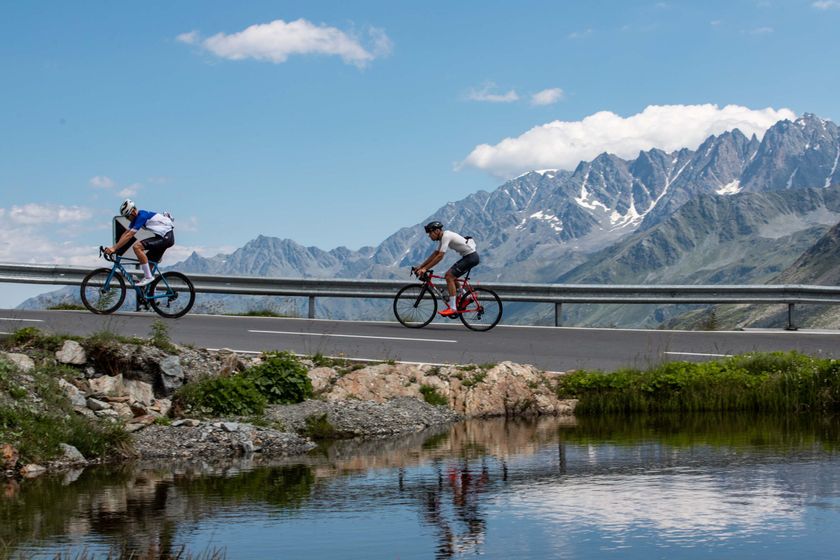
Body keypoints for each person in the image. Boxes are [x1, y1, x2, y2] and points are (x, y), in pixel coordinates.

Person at [415, 221, 480, 317]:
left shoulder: (446, 236)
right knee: (451, 276)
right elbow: (435, 254)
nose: (429, 236)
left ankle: (453, 308)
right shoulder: (443, 238)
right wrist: (421, 266)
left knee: (449, 276)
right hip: (468, 257)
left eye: (430, 233)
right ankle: (467, 297)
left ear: (437, 231)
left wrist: (425, 269)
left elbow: (440, 256)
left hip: (471, 258)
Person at [104, 199, 175, 286]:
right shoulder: (136, 218)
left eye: (127, 216)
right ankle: (149, 291)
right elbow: (126, 233)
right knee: (148, 262)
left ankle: (148, 278)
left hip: (166, 238)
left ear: (133, 212)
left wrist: (114, 248)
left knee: (137, 247)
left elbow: (129, 235)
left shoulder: (142, 216)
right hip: (162, 238)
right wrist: (114, 247)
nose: (127, 219)